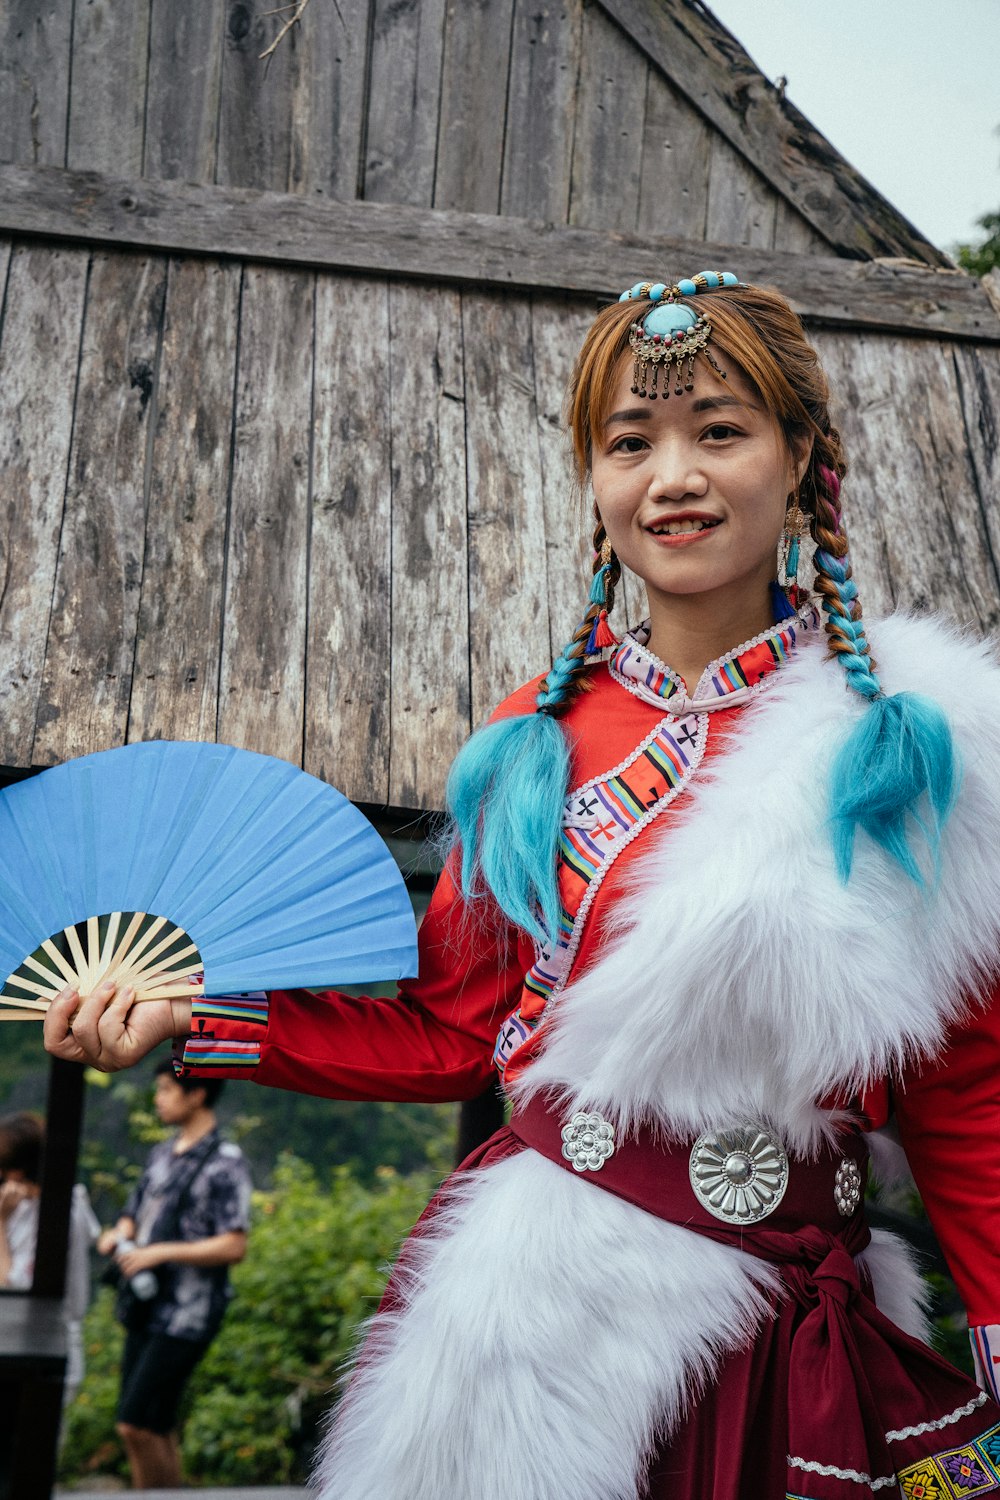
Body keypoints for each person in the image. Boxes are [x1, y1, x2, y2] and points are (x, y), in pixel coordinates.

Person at [43, 271, 1000, 1498]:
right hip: (533, 1322)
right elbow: (451, 1035)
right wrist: (199, 1019)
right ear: (593, 482)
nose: (674, 477)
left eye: (720, 430)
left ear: (801, 454)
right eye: (630, 443)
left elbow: (966, 1088)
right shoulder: (530, 751)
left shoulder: (910, 746)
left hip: (778, 1330)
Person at [97, 1060, 250, 1489]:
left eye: (166, 1090)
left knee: (134, 1425)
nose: (158, 1099)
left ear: (196, 1094)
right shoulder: (161, 1153)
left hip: (189, 1312)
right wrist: (119, 1236)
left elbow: (234, 1245)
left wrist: (158, 1252)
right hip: (146, 1305)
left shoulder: (225, 1162)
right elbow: (133, 1214)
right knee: (156, 1424)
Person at [0, 1111, 99, 1408]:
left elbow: (12, 1286)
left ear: (17, 1171)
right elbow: (94, 1233)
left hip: (42, 1350)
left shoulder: (51, 1216)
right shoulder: (72, 1201)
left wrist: (0, 1224)